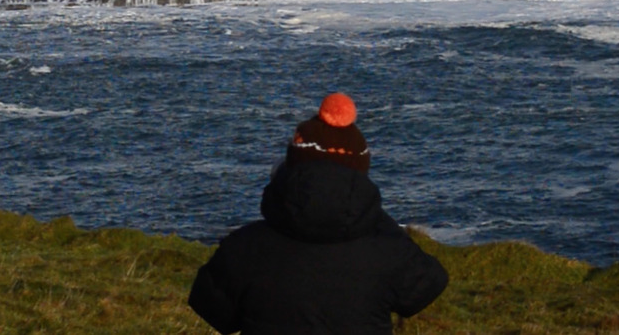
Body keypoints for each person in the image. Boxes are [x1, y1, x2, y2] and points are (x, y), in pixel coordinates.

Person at [188, 93, 448, 333]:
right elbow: (428, 284)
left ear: (288, 170)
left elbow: (212, 309)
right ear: (360, 173)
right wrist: (376, 219)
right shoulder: (388, 249)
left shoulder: (245, 247)